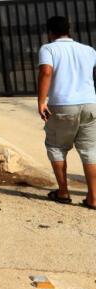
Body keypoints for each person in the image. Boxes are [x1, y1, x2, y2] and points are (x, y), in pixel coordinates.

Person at [37, 16, 96, 208]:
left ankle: (63, 192)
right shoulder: (88, 50)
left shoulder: (48, 49)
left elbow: (46, 72)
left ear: (50, 32)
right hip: (90, 104)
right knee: (90, 150)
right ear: (69, 30)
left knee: (56, 146)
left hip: (63, 105)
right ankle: (93, 197)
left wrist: (41, 101)